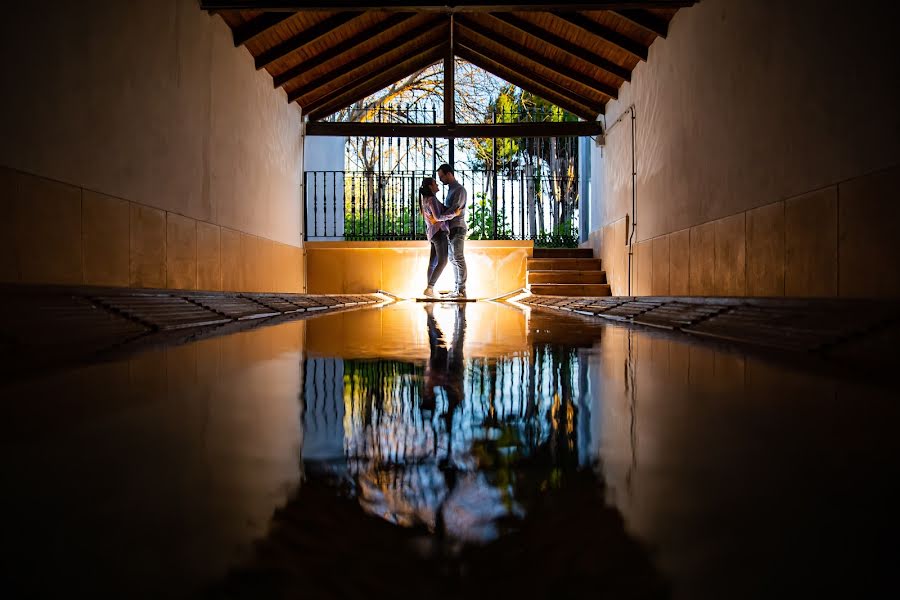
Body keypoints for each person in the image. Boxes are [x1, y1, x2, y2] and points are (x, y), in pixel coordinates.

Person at [419, 177, 460, 298]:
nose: (438, 185)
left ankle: (429, 290)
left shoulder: (426, 200)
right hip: (439, 233)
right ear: (431, 186)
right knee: (443, 261)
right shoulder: (431, 199)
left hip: (432, 234)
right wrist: (454, 214)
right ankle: (430, 287)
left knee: (433, 263)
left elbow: (434, 217)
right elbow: (437, 217)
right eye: (435, 183)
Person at [436, 164, 468, 299]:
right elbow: (450, 210)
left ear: (449, 174)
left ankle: (461, 290)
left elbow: (455, 210)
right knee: (452, 259)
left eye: (442, 176)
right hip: (451, 229)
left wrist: (439, 217)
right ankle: (457, 289)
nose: (441, 180)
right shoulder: (451, 190)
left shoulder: (459, 190)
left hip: (458, 228)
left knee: (458, 258)